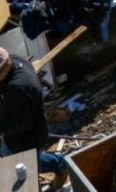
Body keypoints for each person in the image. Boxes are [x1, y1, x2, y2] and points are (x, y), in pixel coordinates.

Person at [0, 47, 67, 190]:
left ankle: (59, 164)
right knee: (10, 157)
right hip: (28, 125)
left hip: (26, 136)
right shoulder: (15, 59)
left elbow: (22, 124)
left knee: (25, 162)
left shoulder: (16, 89)